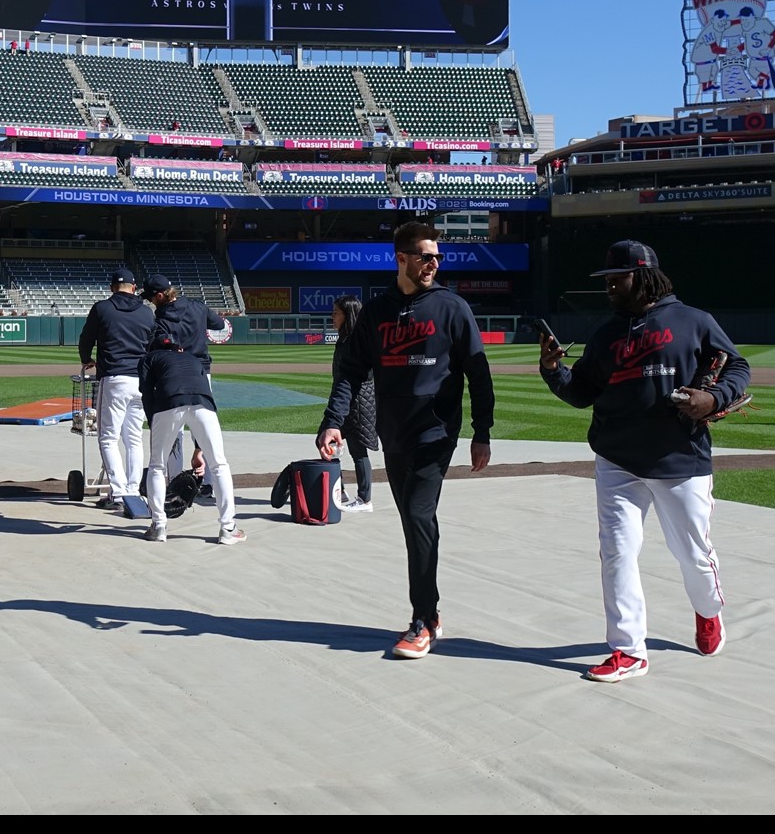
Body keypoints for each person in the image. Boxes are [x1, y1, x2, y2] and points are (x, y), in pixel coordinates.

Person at [539, 239, 749, 684]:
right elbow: (582, 393)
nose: (610, 286)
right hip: (617, 461)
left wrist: (712, 399)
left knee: (692, 554)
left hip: (680, 459)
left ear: (646, 277)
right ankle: (628, 650)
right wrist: (554, 371)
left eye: (619, 278)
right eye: (607, 279)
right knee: (616, 553)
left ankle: (708, 612)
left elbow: (737, 367)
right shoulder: (607, 334)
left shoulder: (693, 321)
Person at [316, 221, 495, 660]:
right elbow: (351, 373)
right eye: (425, 256)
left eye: (437, 257)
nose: (433, 263)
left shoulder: (452, 308)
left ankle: (423, 619)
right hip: (392, 432)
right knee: (415, 521)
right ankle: (429, 611)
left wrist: (481, 432)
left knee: (417, 516)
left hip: (435, 432)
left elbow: (479, 373)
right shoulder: (378, 313)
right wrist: (332, 420)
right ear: (401, 259)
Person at [138, 327, 243, 545]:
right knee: (219, 465)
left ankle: (158, 526)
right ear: (179, 347)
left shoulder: (149, 358)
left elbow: (147, 394)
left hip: (169, 402)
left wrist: (155, 423)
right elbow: (203, 391)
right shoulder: (193, 359)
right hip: (204, 404)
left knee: (157, 465)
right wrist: (199, 449)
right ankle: (228, 529)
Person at [77, 267, 155, 507]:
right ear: (133, 288)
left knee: (108, 438)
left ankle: (119, 493)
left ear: (112, 287)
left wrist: (86, 359)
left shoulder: (102, 308)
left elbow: (86, 339)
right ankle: (132, 490)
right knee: (134, 438)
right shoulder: (147, 313)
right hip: (141, 381)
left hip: (114, 378)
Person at [142, 272, 227, 477]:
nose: (151, 302)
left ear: (160, 296)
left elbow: (156, 344)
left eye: (151, 298)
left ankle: (175, 480)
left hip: (173, 375)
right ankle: (207, 482)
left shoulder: (160, 320)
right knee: (205, 431)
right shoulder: (197, 306)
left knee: (174, 432)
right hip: (201, 372)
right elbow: (219, 324)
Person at [327, 294, 376, 512]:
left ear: (348, 315)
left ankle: (365, 499)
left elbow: (363, 376)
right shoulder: (345, 339)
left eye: (336, 313)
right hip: (345, 402)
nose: (332, 317)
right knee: (328, 445)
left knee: (358, 451)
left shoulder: (358, 341)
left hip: (356, 403)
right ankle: (341, 491)